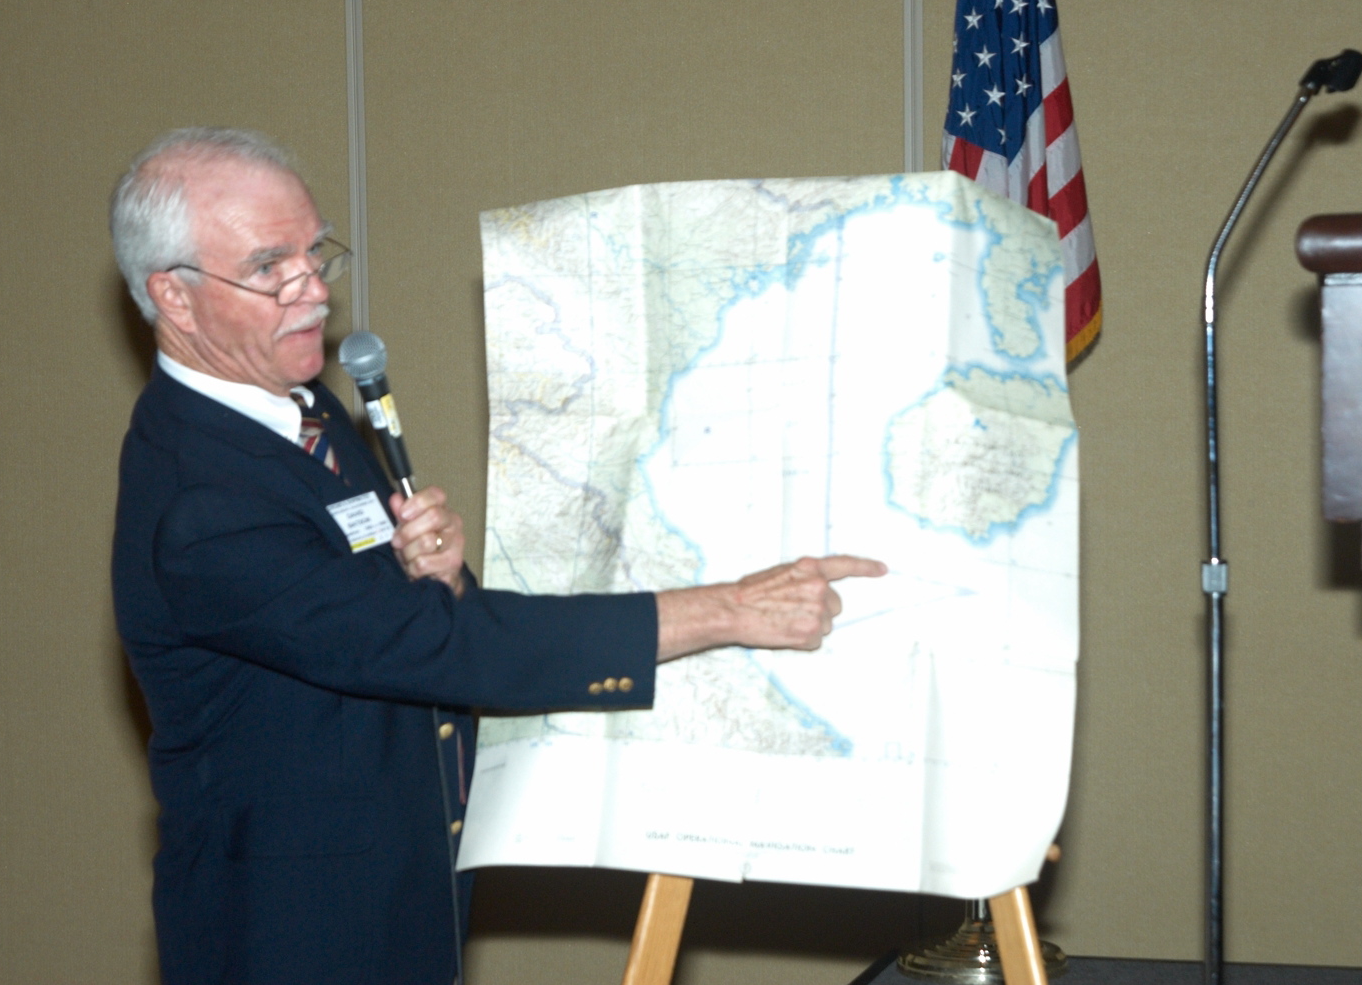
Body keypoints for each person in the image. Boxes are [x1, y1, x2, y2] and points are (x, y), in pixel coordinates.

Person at [110, 126, 885, 985]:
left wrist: (433, 574)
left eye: (315, 252)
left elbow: (391, 616)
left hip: (407, 903)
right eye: (268, 268)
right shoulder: (200, 502)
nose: (314, 292)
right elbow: (437, 649)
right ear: (173, 299)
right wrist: (730, 609)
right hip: (295, 940)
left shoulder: (304, 408)